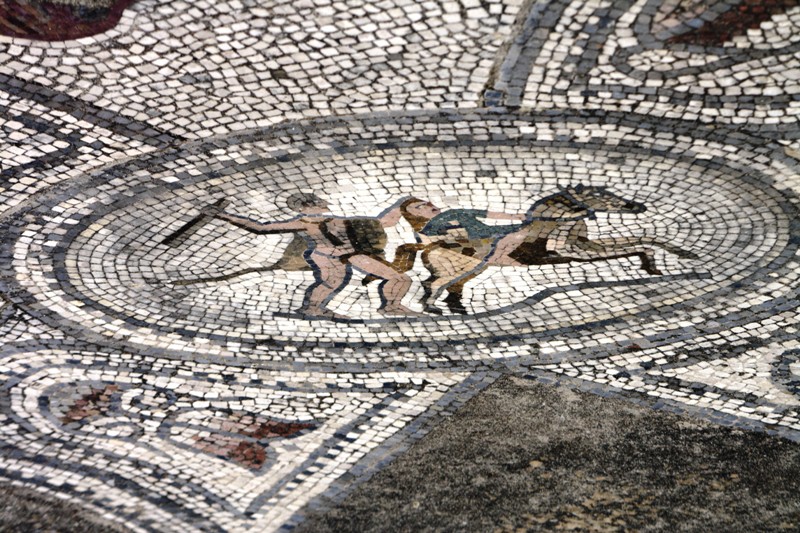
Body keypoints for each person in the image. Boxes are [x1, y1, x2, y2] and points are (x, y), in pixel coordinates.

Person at [205, 193, 421, 319]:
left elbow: (383, 222)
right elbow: (260, 227)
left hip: (354, 253)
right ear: (307, 206)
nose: (322, 203)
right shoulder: (302, 223)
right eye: (316, 202)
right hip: (326, 257)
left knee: (399, 278)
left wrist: (401, 207)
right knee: (330, 283)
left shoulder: (338, 219)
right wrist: (223, 215)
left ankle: (391, 305)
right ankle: (313, 309)